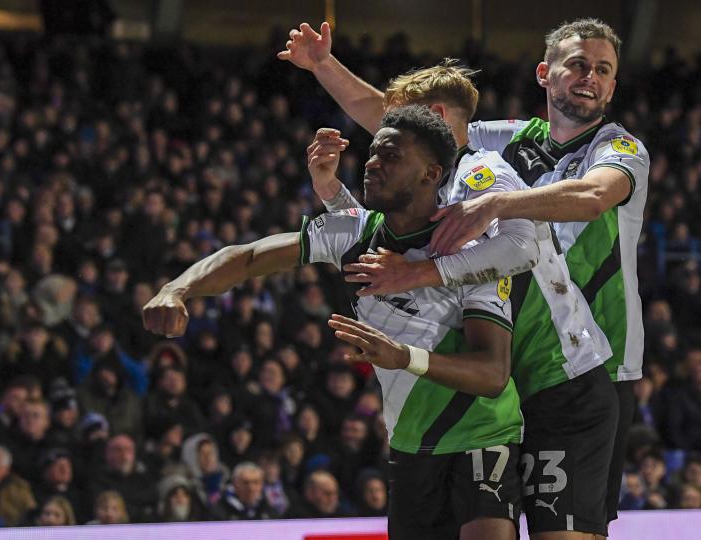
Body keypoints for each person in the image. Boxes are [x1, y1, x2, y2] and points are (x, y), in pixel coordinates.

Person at [281, 29, 618, 540]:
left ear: (434, 121)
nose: (387, 134)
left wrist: (419, 272)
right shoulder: (443, 167)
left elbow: (523, 248)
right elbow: (376, 114)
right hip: (510, 385)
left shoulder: (479, 171)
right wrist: (324, 68)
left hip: (560, 380)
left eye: (404, 123)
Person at [143, 106, 523, 539]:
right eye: (373, 153)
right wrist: (177, 288)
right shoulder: (354, 232)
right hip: (409, 442)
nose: (372, 164)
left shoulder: (473, 250)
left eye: (391, 156)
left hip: (482, 433)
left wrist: (404, 357)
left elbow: (492, 373)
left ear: (431, 174)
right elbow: (248, 257)